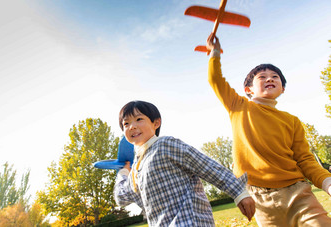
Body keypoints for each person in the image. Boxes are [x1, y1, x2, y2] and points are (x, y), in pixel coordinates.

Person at [206, 33, 331, 226]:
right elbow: (216, 80)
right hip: (260, 199)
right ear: (248, 89)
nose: (269, 79)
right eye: (262, 77)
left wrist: (326, 182)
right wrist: (214, 53)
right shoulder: (239, 106)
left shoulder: (292, 121)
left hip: (297, 192)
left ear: (283, 89)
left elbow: (305, 160)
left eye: (275, 77)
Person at [114, 100, 255, 226]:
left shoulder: (165, 145)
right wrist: (123, 171)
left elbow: (205, 165)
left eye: (139, 119)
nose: (132, 126)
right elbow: (122, 196)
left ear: (156, 123)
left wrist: (238, 192)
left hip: (190, 221)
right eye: (126, 123)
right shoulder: (137, 168)